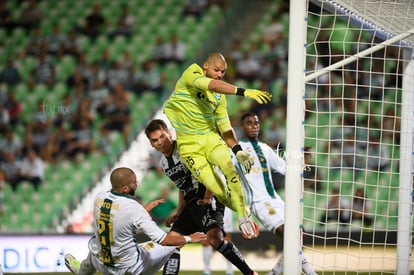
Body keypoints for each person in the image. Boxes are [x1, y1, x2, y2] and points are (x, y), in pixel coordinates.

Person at [163, 52, 272, 239]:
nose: (220, 74)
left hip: (210, 138)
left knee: (228, 168)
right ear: (205, 66)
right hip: (188, 146)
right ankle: (243, 207)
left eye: (223, 72)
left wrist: (237, 151)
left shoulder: (220, 98)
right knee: (217, 190)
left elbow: (225, 127)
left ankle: (243, 216)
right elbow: (209, 84)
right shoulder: (192, 72)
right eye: (216, 70)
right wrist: (244, 91)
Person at [144, 119, 258, 275]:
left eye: (162, 137)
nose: (159, 143)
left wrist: (207, 197)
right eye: (155, 140)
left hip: (208, 196)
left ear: (169, 133)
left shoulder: (185, 149)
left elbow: (208, 172)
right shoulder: (164, 163)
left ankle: (249, 273)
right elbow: (181, 188)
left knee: (214, 240)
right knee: (171, 244)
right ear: (151, 144)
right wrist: (178, 212)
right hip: (191, 202)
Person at [64, 167, 206, 275]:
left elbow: (117, 216)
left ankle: (80, 270)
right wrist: (188, 238)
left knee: (97, 246)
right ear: (125, 188)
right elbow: (163, 240)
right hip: (128, 269)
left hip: (102, 263)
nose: (137, 183)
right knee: (174, 244)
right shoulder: (133, 208)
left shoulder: (99, 198)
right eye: (134, 182)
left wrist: (143, 210)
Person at [235, 112, 317, 275]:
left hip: (276, 200)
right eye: (249, 123)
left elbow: (285, 168)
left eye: (256, 123)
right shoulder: (236, 150)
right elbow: (227, 173)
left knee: (298, 235)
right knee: (288, 234)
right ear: (242, 127)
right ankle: (311, 272)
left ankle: (274, 273)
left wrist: (301, 161)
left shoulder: (265, 148)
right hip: (259, 203)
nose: (254, 126)